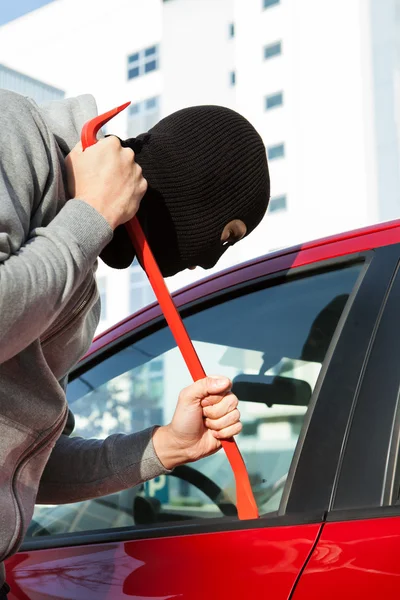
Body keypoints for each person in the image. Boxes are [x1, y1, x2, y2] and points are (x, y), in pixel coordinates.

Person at [0, 89, 270, 596]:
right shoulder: (12, 132)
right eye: (224, 233)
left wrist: (165, 446)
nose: (205, 262)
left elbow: (27, 466)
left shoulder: (78, 295)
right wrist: (90, 218)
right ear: (193, 181)